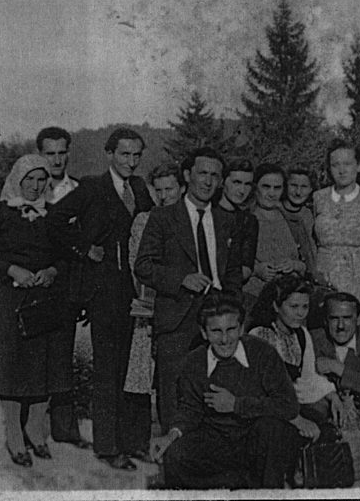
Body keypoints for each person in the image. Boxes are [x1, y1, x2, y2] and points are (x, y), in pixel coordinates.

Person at [47, 128, 155, 470]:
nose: (131, 162)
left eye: (136, 155)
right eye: (124, 154)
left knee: (133, 367)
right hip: (104, 291)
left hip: (136, 291)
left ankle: (134, 442)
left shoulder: (140, 188)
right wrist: (84, 248)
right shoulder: (93, 186)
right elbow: (55, 219)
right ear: (109, 154)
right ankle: (108, 447)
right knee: (108, 369)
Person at [0, 126, 87, 448]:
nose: (36, 185)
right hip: (8, 297)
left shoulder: (53, 214)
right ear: (18, 179)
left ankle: (36, 429)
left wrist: (53, 271)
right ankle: (14, 433)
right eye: (30, 179)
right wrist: (12, 269)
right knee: (11, 366)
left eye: (41, 180)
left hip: (43, 298)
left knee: (42, 366)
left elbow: (65, 255)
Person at [134, 147, 245, 429]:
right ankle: (173, 449)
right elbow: (143, 265)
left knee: (216, 387)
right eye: (202, 173)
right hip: (177, 315)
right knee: (173, 391)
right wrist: (181, 278)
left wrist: (231, 307)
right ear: (187, 175)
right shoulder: (163, 217)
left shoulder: (227, 220)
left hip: (218, 314)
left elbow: (233, 271)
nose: (208, 181)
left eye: (214, 176)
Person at [150, 295, 302, 489]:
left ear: (241, 328)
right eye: (216, 331)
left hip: (256, 439)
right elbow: (190, 409)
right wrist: (171, 436)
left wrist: (236, 404)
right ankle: (233, 484)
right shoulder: (194, 361)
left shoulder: (262, 353)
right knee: (176, 454)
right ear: (204, 333)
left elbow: (289, 406)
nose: (224, 339)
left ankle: (265, 491)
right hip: (218, 440)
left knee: (272, 429)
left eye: (231, 330)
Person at [124, 162, 185, 449]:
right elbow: (136, 264)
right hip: (148, 304)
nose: (163, 196)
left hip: (180, 308)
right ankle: (139, 440)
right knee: (142, 373)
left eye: (169, 189)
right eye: (158, 190)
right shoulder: (143, 220)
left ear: (182, 188)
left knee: (173, 378)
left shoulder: (190, 219)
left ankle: (174, 440)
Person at [248, 276, 347, 443]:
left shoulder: (302, 334)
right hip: (268, 408)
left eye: (305, 307)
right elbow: (260, 390)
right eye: (294, 306)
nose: (300, 313)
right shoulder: (260, 335)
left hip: (291, 402)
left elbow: (308, 377)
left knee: (326, 424)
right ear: (276, 306)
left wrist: (333, 396)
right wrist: (297, 419)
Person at [311, 291, 360, 428]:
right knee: (317, 408)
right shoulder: (315, 338)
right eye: (334, 318)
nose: (341, 326)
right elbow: (309, 381)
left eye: (347, 318)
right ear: (325, 321)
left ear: (357, 318)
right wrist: (332, 396)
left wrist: (338, 368)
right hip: (331, 401)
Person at [313, 139, 360, 300]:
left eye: (347, 164)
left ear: (359, 166)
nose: (342, 170)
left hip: (359, 279)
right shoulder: (318, 198)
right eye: (335, 165)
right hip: (323, 277)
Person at [244, 164, 307, 300]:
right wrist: (256, 270)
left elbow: (307, 263)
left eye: (277, 188)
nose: (272, 193)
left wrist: (294, 265)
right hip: (255, 295)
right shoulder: (245, 219)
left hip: (291, 297)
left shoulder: (292, 219)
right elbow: (230, 264)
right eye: (266, 187)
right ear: (255, 188)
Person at [217, 158, 259, 285]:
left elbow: (246, 268)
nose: (242, 190)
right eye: (237, 182)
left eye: (247, 184)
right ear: (223, 181)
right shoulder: (207, 212)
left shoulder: (248, 221)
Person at [281, 164, 318, 282]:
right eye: (293, 185)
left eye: (304, 187)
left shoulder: (310, 215)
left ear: (311, 189)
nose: (298, 192)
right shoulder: (276, 211)